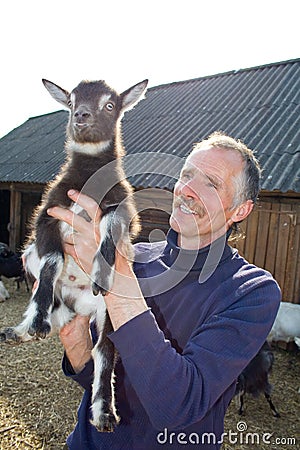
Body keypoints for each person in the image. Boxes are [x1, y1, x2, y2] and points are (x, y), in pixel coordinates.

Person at [47, 131, 281, 450]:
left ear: (240, 210)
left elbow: (177, 406)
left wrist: (115, 276)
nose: (186, 190)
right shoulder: (136, 258)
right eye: (186, 175)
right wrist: (76, 340)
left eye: (210, 183)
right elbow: (104, 385)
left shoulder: (251, 291)